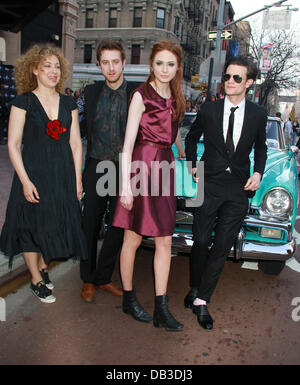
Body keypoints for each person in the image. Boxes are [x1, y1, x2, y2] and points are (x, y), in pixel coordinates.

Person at [184, 56, 267, 330]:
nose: (229, 82)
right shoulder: (209, 109)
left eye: (237, 78)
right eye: (227, 77)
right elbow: (191, 137)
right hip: (208, 183)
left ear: (249, 83)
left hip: (238, 189)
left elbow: (262, 148)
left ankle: (201, 301)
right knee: (199, 241)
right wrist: (193, 165)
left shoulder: (257, 114)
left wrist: (258, 173)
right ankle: (195, 287)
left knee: (221, 247)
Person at [0, 45, 87, 303]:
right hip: (33, 174)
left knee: (50, 225)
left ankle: (42, 267)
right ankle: (36, 279)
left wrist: (78, 179)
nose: (53, 71)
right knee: (29, 227)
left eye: (57, 66)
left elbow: (75, 144)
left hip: (61, 175)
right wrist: (25, 181)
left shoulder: (69, 103)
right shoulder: (23, 102)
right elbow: (13, 144)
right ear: (34, 69)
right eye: (46, 66)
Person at [112, 40, 186, 332]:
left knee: (165, 239)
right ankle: (129, 299)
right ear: (151, 65)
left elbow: (174, 134)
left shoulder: (178, 96)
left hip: (165, 168)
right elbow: (127, 144)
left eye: (170, 64)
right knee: (132, 238)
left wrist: (187, 158)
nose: (164, 69)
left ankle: (161, 309)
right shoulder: (141, 95)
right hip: (141, 166)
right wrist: (126, 186)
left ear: (178, 67)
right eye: (159, 63)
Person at [80, 40, 140, 303]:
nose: (111, 67)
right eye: (105, 62)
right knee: (89, 224)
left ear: (124, 63)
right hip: (96, 164)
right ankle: (88, 280)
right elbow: (79, 130)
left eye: (116, 61)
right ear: (99, 65)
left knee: (118, 226)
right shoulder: (91, 93)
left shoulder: (137, 93)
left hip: (125, 169)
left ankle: (104, 277)